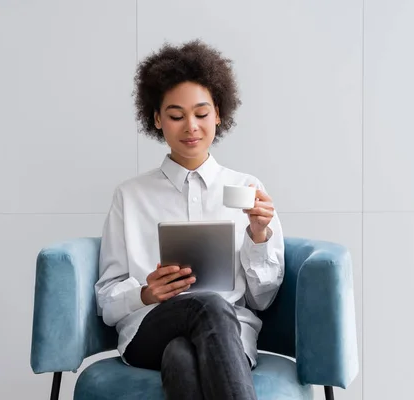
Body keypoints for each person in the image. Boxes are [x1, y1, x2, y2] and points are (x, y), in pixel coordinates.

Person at [94, 39, 285, 400]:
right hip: (149, 328)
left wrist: (258, 235)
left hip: (229, 335)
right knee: (211, 302)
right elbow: (106, 299)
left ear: (218, 114)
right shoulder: (130, 195)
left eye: (201, 113)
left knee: (181, 357)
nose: (191, 127)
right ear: (156, 119)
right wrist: (146, 292)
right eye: (176, 116)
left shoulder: (247, 188)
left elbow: (262, 299)